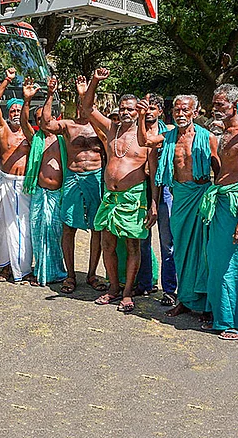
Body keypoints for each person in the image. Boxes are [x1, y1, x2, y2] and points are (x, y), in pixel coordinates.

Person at [81, 70, 157, 313]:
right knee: (107, 243)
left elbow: (153, 175)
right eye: (122, 108)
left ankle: (127, 293)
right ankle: (113, 288)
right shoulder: (111, 130)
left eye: (131, 109)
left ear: (138, 112)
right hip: (110, 197)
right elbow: (87, 108)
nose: (125, 112)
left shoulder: (148, 137)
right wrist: (95, 82)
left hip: (133, 197)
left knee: (133, 246)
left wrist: (153, 204)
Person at [138, 94, 218, 318]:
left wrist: (218, 197)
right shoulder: (167, 137)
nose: (181, 114)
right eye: (177, 111)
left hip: (201, 196)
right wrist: (141, 116)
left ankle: (206, 304)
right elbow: (145, 140)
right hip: (180, 197)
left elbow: (220, 171)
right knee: (180, 250)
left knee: (203, 252)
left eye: (185, 110)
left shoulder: (208, 137)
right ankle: (184, 299)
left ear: (195, 111)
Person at [201, 84, 238, 340]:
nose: (216, 109)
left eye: (221, 105)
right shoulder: (221, 134)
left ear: (235, 105)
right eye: (215, 104)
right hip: (220, 202)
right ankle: (221, 316)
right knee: (217, 261)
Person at [41, 76, 106, 294]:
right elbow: (46, 123)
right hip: (73, 179)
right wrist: (50, 93)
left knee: (97, 228)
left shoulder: (101, 127)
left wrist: (85, 92)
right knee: (68, 228)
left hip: (96, 179)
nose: (84, 108)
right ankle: (70, 275)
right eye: (81, 104)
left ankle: (91, 274)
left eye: (87, 103)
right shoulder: (68, 125)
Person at [21, 78, 68, 286]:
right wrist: (27, 101)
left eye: (45, 117)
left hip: (58, 194)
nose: (43, 121)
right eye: (39, 119)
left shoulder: (62, 139)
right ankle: (40, 271)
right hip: (40, 193)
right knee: (38, 232)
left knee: (54, 233)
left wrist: (51, 93)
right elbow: (23, 122)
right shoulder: (36, 138)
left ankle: (56, 272)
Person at [0, 67, 35, 284]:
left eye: (19, 111)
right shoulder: (3, 131)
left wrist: (26, 101)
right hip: (5, 183)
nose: (16, 114)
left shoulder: (29, 133)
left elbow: (26, 121)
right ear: (9, 114)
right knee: (3, 227)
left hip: (24, 185)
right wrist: (7, 80)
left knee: (24, 227)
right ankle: (6, 266)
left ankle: (24, 269)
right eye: (13, 111)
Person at [133, 93, 174, 299]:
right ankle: (145, 283)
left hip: (165, 189)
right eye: (145, 108)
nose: (148, 112)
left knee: (167, 242)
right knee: (142, 240)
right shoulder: (134, 131)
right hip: (142, 188)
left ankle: (169, 289)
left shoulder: (169, 132)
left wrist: (156, 202)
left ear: (160, 111)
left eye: (152, 108)